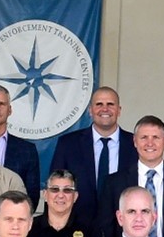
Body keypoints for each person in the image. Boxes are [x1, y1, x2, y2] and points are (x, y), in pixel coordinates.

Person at [48, 87, 135, 228]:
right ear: (90, 110)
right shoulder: (68, 143)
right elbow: (54, 188)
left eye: (110, 104)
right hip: (77, 230)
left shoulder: (135, 144)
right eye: (99, 104)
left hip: (122, 230)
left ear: (119, 110)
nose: (105, 109)